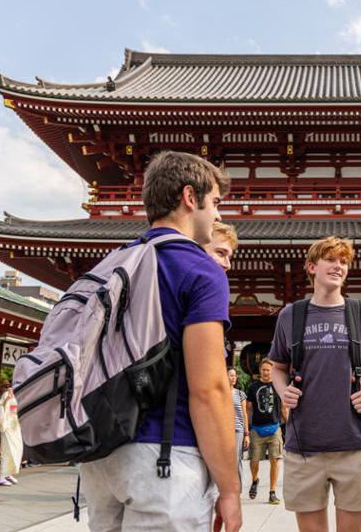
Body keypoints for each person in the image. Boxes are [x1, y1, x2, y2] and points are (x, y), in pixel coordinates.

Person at [78, 150, 241, 532]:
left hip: (100, 455)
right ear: (190, 197)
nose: (218, 215)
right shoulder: (200, 269)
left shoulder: (113, 263)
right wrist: (230, 490)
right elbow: (210, 389)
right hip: (166, 456)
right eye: (215, 203)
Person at [269, 236, 361, 532]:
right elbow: (277, 367)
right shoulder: (291, 315)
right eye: (330, 259)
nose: (338, 266)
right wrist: (282, 389)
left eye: (343, 262)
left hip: (353, 443)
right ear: (312, 267)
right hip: (304, 446)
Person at [246, 358, 286, 505]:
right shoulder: (253, 387)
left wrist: (288, 426)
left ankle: (272, 492)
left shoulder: (278, 386)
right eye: (263, 369)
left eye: (268, 370)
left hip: (274, 427)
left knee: (275, 460)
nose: (266, 372)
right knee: (254, 460)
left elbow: (283, 408)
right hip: (257, 428)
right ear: (260, 371)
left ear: (272, 371)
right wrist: (247, 429)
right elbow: (248, 409)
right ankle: (255, 480)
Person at [0, 382, 23, 487]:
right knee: (7, 450)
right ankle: (2, 476)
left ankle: (8, 473)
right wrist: (6, 400)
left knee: (16, 450)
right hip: (8, 426)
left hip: (14, 425)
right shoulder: (7, 394)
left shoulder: (16, 395)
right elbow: (0, 408)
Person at [228, 367, 249, 487]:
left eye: (235, 375)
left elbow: (244, 414)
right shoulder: (220, 393)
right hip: (223, 430)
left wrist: (246, 434)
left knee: (236, 459)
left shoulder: (240, 394)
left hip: (237, 430)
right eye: (231, 375)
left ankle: (237, 488)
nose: (233, 378)